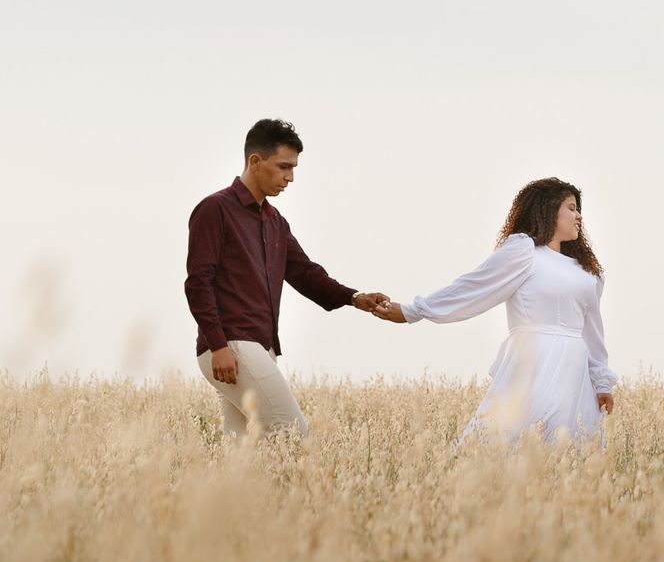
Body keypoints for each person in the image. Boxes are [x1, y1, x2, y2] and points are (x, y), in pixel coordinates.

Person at [184, 118, 393, 438]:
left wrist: (354, 298)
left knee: (244, 456)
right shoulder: (215, 209)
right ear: (255, 161)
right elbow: (198, 281)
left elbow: (305, 273)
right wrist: (218, 345)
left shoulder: (275, 221)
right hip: (231, 346)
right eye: (283, 166)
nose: (290, 177)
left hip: (259, 348)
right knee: (294, 436)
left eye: (293, 168)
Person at [374, 176, 617, 442]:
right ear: (547, 210)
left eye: (578, 209)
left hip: (575, 374)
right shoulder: (524, 251)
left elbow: (592, 332)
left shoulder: (587, 272)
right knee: (509, 443)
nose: (578, 215)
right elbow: (473, 287)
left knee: (572, 451)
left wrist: (601, 381)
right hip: (532, 363)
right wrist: (414, 310)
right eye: (570, 208)